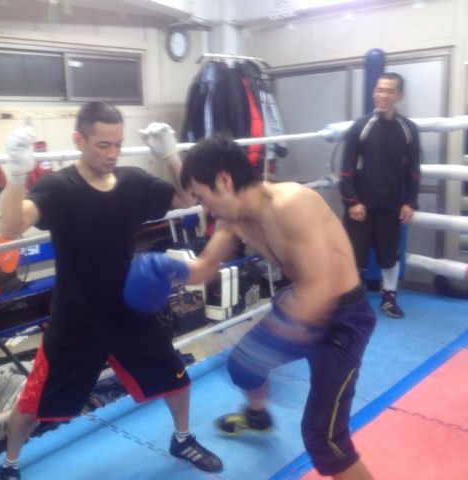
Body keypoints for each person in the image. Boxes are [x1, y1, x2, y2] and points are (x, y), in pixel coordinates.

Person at [124, 136, 376, 479]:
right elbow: (206, 265)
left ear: (224, 180)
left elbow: (322, 287)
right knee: (243, 367)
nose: (205, 208)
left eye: (202, 196)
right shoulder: (234, 218)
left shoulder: (293, 204)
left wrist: (280, 333)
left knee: (324, 440)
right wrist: (171, 269)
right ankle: (258, 416)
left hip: (342, 321)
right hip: (301, 300)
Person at [0, 102, 223, 480]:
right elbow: (9, 228)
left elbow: (186, 200)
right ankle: (10, 463)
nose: (112, 154)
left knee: (176, 379)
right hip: (76, 317)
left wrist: (170, 155)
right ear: (79, 140)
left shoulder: (132, 182)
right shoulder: (59, 187)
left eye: (117, 144)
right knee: (33, 404)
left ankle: (183, 439)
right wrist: (16, 173)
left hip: (128, 309)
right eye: (103, 145)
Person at [339, 72, 420, 318]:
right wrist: (352, 201)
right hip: (361, 205)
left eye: (389, 91)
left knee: (389, 256)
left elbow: (413, 169)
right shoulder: (361, 126)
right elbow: (346, 168)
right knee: (354, 255)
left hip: (392, 204)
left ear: (399, 95)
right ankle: (352, 301)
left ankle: (389, 298)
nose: (382, 95)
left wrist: (410, 202)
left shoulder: (408, 129)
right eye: (379, 90)